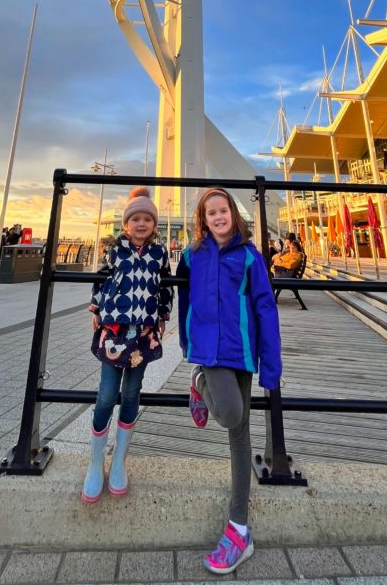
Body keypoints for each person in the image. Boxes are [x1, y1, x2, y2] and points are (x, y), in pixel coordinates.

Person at [177, 187, 281, 575]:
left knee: (240, 432)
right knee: (229, 415)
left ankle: (239, 528)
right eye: (211, 213)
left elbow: (265, 308)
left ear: (233, 214)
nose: (218, 217)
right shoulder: (192, 255)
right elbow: (185, 298)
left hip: (241, 350)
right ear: (203, 219)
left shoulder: (251, 256)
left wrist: (270, 365)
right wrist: (188, 341)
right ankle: (200, 381)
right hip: (209, 350)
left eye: (223, 211)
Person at [83, 187, 172, 503]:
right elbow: (101, 279)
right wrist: (95, 308)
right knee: (107, 395)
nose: (142, 223)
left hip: (143, 333)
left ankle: (119, 461)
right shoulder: (114, 250)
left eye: (148, 218)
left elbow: (165, 288)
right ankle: (95, 462)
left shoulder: (159, 254)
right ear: (126, 224)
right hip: (115, 330)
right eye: (135, 218)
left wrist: (163, 313)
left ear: (154, 224)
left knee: (132, 392)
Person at [271, 235, 307, 307]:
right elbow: (274, 258)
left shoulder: (297, 256)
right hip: (282, 272)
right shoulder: (290, 254)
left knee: (267, 276)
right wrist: (279, 259)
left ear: (298, 248)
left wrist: (279, 262)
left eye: (294, 248)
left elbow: (290, 265)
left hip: (285, 274)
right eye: (291, 247)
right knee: (267, 274)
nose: (292, 249)